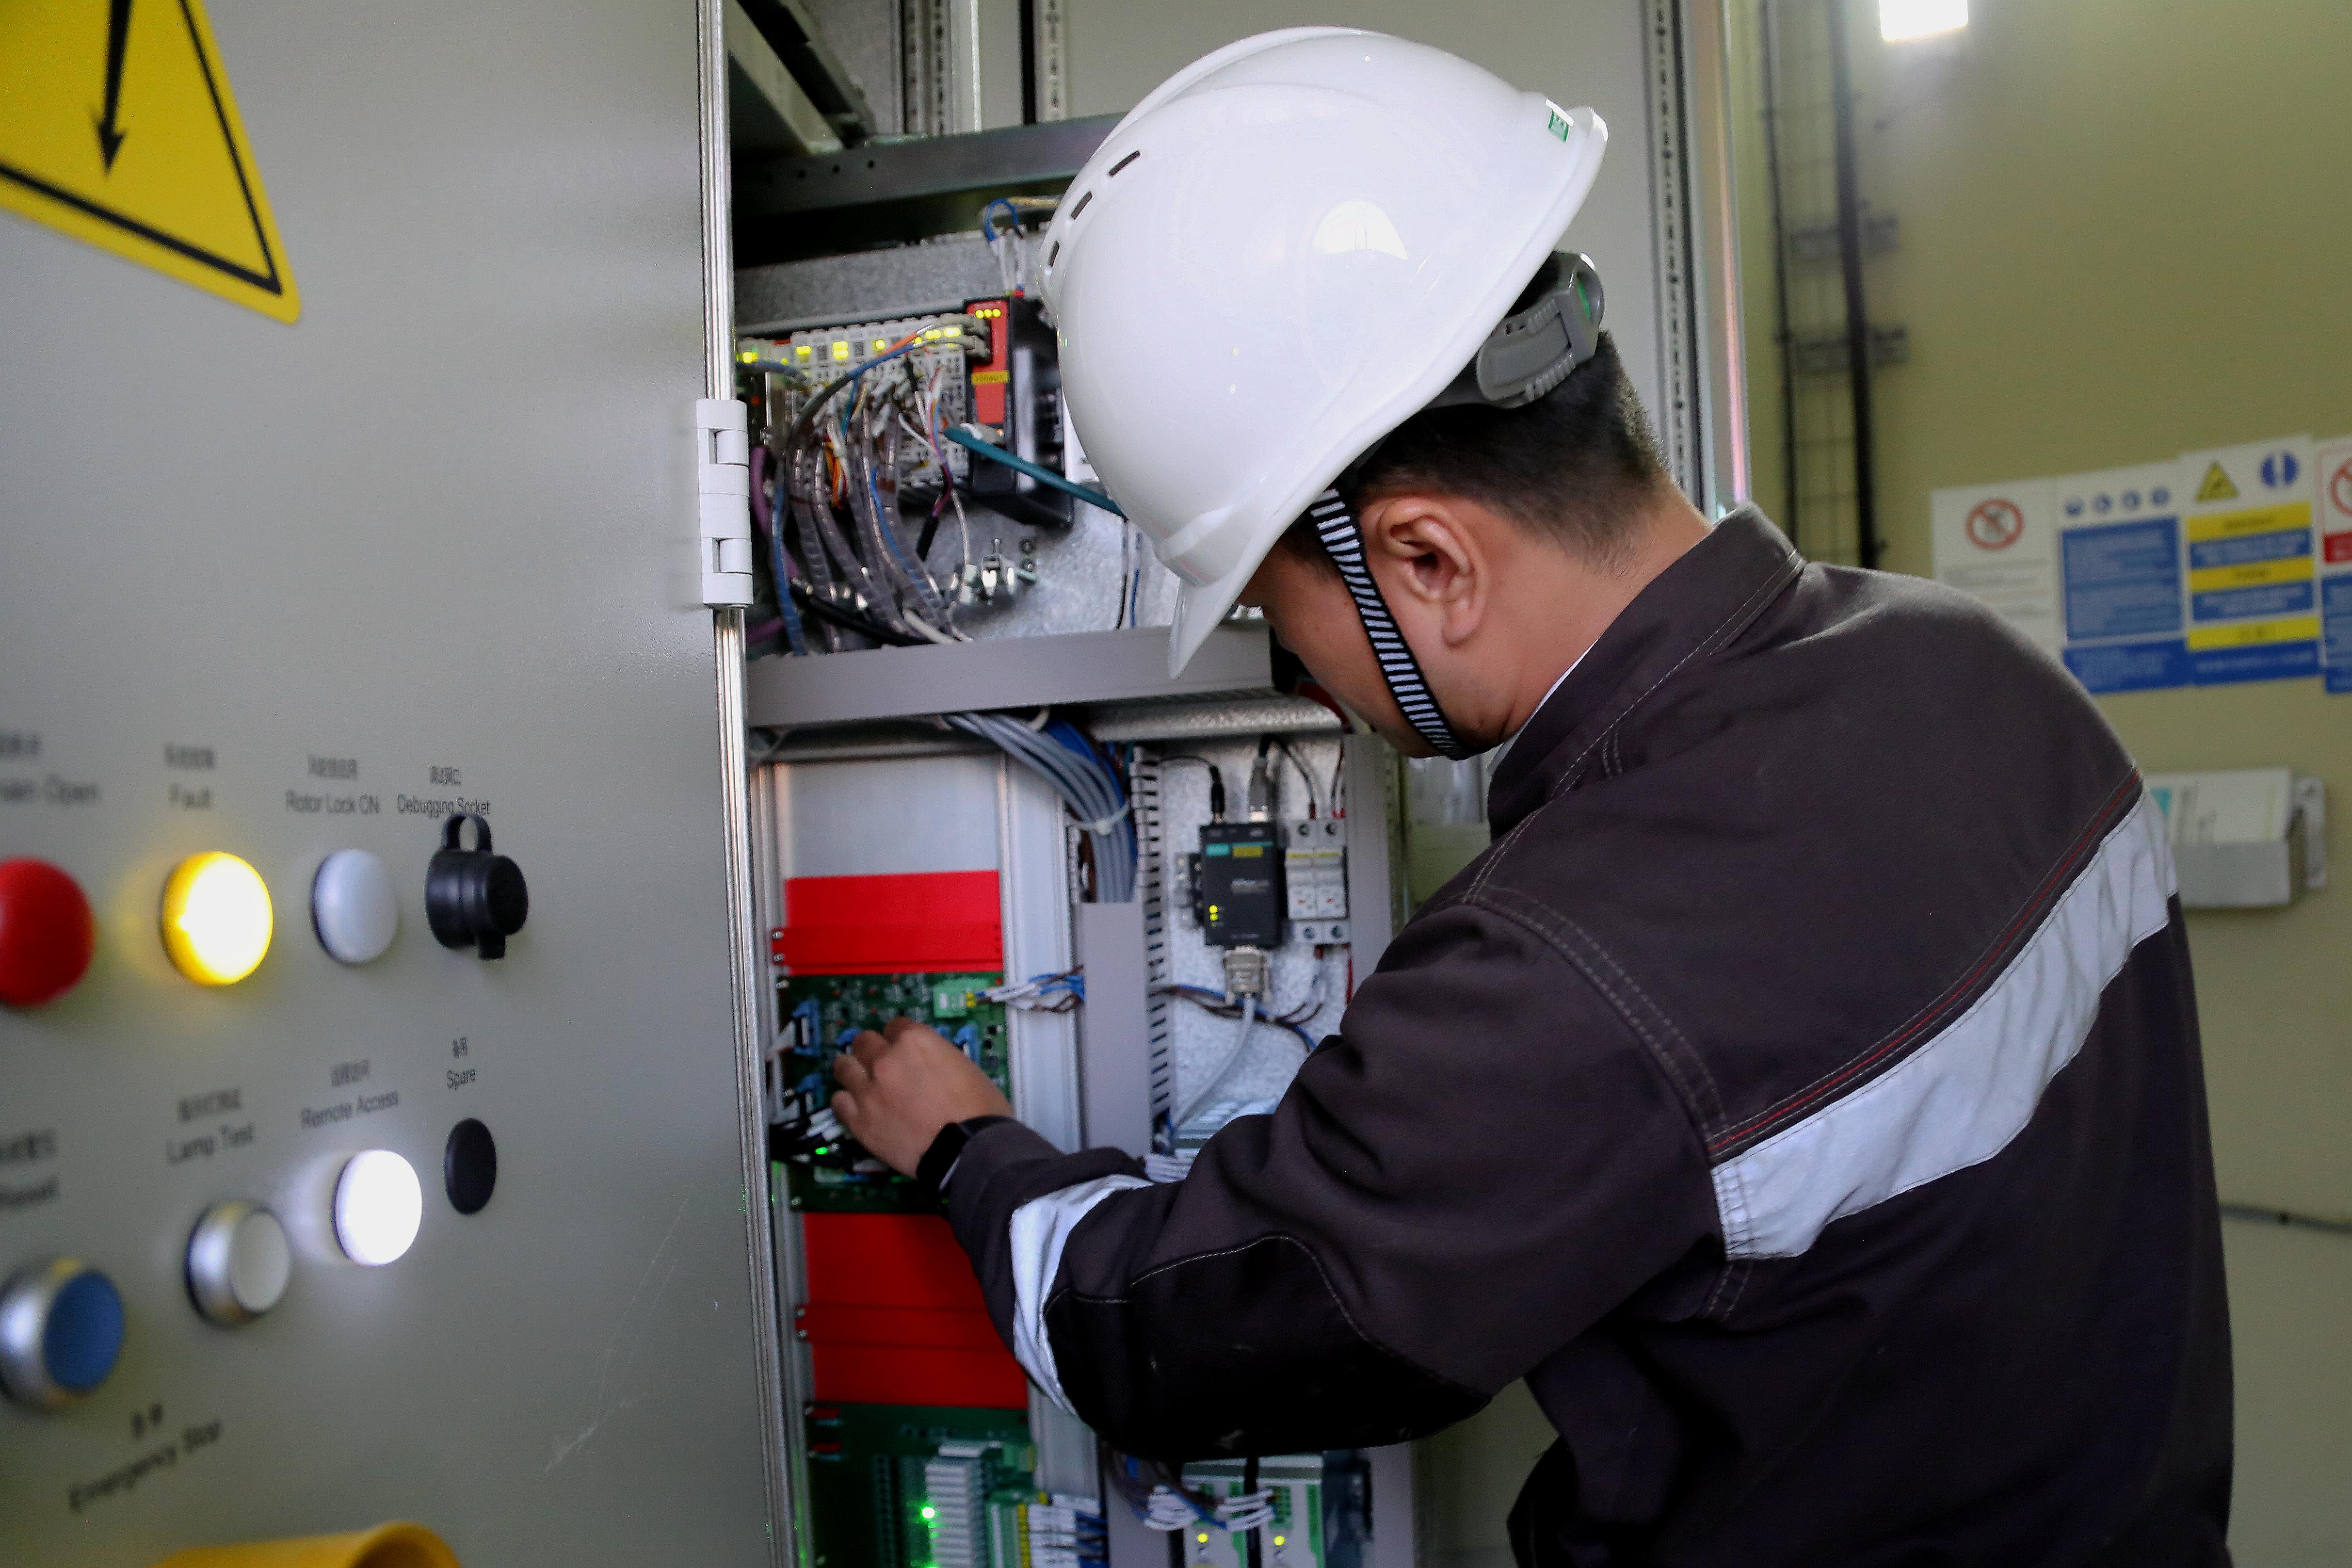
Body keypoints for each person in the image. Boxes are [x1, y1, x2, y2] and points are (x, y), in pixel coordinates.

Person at [829, 29, 2231, 1567]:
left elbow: (1166, 1336)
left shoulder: (1574, 958)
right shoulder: (1983, 669)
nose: (1300, 680)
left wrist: (965, 1143)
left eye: (1276, 616)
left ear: (1426, 560)